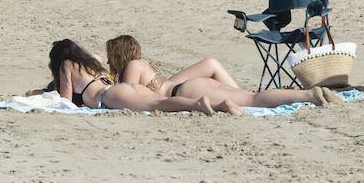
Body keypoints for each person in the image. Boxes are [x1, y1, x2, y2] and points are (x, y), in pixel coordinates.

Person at [105, 35, 325, 109]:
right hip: (188, 87)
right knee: (249, 96)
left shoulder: (133, 66)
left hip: (185, 92)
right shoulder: (143, 64)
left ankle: (309, 95)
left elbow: (131, 95)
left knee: (252, 100)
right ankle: (304, 95)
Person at [44, 40, 219, 114]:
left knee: (159, 105)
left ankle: (198, 104)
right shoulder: (92, 64)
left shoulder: (66, 64)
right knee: (161, 101)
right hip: (124, 88)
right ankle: (220, 105)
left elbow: (65, 101)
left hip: (109, 96)